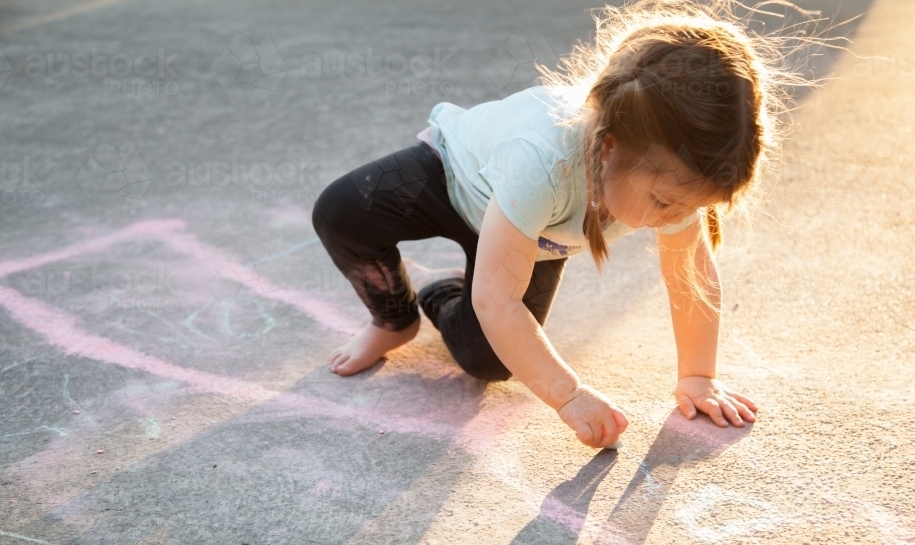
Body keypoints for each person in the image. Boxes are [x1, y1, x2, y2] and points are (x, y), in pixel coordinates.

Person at [312, 0, 783, 448]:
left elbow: (692, 279)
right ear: (609, 147)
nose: (677, 217)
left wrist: (698, 375)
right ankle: (394, 319)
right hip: (455, 178)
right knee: (342, 212)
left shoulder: (672, 186)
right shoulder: (542, 159)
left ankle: (445, 292)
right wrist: (568, 395)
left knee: (489, 361)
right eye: (663, 202)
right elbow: (499, 301)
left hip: (535, 239)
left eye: (691, 206)